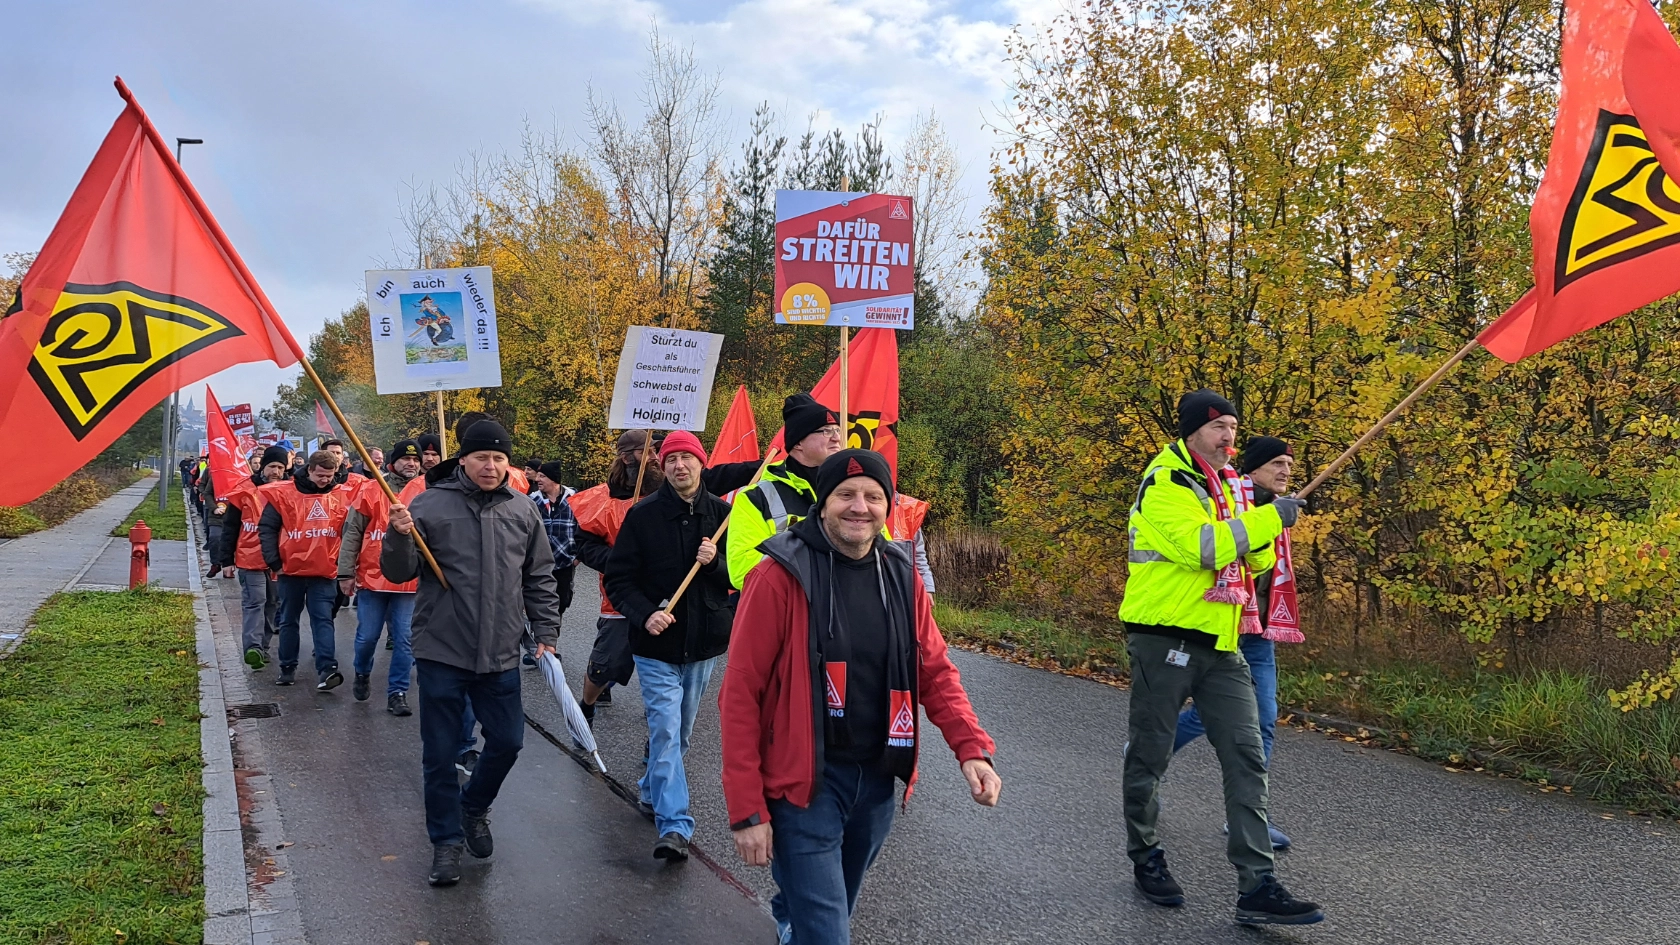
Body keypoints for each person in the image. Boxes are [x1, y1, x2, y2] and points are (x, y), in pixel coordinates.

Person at [721, 449, 1001, 945]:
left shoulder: (900, 575)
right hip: (805, 787)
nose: (860, 506)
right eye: (846, 494)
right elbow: (741, 695)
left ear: (887, 506)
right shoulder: (779, 575)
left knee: (829, 916)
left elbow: (935, 670)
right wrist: (747, 810)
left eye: (874, 496)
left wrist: (972, 749)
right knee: (828, 933)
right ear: (823, 502)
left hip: (876, 785)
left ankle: (794, 910)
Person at [1119, 390, 1320, 925]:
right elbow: (1204, 548)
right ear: (1191, 433)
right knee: (1150, 754)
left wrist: (1267, 520)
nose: (1229, 437)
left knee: (1247, 753)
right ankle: (1146, 855)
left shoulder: (1229, 486)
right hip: (1163, 635)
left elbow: (1254, 561)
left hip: (1222, 642)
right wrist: (1267, 519)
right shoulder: (1167, 481)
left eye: (1233, 427)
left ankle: (1257, 884)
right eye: (1218, 428)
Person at [382, 420, 562, 888]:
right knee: (440, 754)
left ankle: (473, 807)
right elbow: (399, 572)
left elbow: (539, 576)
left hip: (501, 651)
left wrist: (546, 631)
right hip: (442, 648)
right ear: (462, 460)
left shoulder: (523, 509)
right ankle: (445, 843)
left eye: (499, 458)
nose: (491, 465)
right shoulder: (428, 504)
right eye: (482, 457)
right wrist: (398, 534)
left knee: (508, 741)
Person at [604, 431, 732, 862]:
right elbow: (618, 579)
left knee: (681, 733)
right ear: (662, 465)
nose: (679, 465)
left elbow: (742, 576)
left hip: (703, 645)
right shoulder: (642, 515)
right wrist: (645, 614)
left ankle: (650, 788)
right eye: (671, 458)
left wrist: (715, 564)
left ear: (701, 462)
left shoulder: (723, 515)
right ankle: (675, 824)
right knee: (665, 728)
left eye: (687, 457)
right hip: (655, 646)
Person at [1172, 436, 1301, 851]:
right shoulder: (1226, 498)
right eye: (1277, 463)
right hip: (1222, 625)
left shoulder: (1280, 510)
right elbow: (1216, 549)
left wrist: (1276, 518)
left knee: (1263, 719)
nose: (1285, 471)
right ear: (1254, 468)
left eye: (1289, 465)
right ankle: (1149, 750)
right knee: (1210, 716)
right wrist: (1266, 521)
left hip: (1259, 631)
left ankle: (1247, 817)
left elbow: (1268, 570)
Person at [572, 430, 665, 717]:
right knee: (606, 665)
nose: (655, 458)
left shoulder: (672, 490)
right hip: (620, 600)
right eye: (647, 451)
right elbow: (584, 545)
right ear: (627, 458)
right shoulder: (602, 499)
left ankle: (661, 726)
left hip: (667, 598)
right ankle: (586, 707)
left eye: (656, 451)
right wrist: (620, 560)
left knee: (664, 668)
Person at [338, 439, 424, 716]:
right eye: (406, 459)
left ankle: (397, 692)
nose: (411, 463)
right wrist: (345, 572)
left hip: (410, 582)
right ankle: (362, 672)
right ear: (392, 462)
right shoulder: (371, 489)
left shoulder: (427, 492)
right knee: (367, 637)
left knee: (405, 638)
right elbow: (352, 532)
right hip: (372, 579)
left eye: (416, 459)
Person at [726, 394, 846, 589]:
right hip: (790, 605)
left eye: (837, 430)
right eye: (825, 431)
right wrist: (818, 561)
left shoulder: (853, 491)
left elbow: (881, 551)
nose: (836, 438)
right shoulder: (755, 498)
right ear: (798, 443)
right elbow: (742, 571)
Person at [258, 450, 354, 690]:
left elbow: (350, 531)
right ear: (309, 470)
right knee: (288, 620)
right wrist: (275, 563)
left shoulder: (341, 494)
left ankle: (327, 669)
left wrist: (345, 565)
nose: (325, 480)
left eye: (329, 476)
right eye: (320, 475)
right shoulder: (284, 494)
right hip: (290, 571)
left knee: (323, 619)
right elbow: (267, 528)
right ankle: (287, 667)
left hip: (324, 571)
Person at [216, 445, 291, 668]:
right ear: (263, 467)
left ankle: (263, 647)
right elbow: (230, 527)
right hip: (250, 558)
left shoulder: (291, 490)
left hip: (279, 560)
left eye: (280, 467)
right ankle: (253, 647)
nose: (275, 472)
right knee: (254, 602)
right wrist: (226, 560)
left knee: (272, 603)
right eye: (272, 466)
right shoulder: (244, 491)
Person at [529, 460, 578, 667]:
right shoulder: (532, 500)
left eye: (542, 476)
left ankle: (548, 643)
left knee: (560, 603)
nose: (537, 479)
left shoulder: (575, 498)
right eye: (538, 476)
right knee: (539, 601)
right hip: (539, 562)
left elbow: (585, 526)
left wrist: (578, 555)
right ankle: (542, 647)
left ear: (554, 480)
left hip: (565, 561)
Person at [885, 492, 935, 595]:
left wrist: (927, 588)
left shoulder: (909, 510)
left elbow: (918, 556)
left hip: (903, 589)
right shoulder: (865, 507)